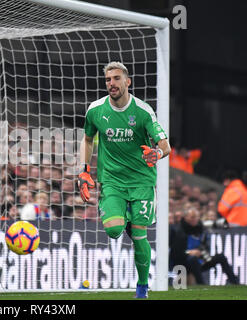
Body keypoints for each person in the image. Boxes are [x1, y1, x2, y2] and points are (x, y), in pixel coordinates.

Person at [77, 61, 171, 298]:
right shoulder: (96, 110)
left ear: (127, 81)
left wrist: (156, 153)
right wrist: (84, 170)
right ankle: (127, 219)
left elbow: (165, 146)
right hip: (112, 181)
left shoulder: (143, 111)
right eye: (108, 80)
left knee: (140, 237)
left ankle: (142, 288)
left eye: (117, 78)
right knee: (113, 230)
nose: (112, 84)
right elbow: (88, 139)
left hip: (141, 182)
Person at [169, 208, 239, 285]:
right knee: (193, 259)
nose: (195, 219)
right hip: (183, 263)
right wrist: (189, 252)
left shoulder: (200, 227)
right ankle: (202, 284)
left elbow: (204, 244)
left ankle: (235, 283)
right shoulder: (178, 231)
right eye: (192, 217)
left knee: (220, 257)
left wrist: (201, 250)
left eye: (197, 217)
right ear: (185, 217)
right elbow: (175, 253)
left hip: (200, 260)